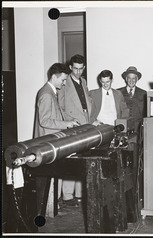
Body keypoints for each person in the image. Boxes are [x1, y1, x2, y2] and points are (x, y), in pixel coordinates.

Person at [33, 63, 80, 213]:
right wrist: (66, 124)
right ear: (54, 76)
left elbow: (57, 114)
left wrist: (71, 120)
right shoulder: (46, 94)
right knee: (47, 178)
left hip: (51, 141)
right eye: (63, 80)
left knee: (52, 176)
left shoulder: (52, 92)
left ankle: (51, 207)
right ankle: (46, 209)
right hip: (46, 142)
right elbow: (45, 121)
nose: (64, 83)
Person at [58, 54, 92, 206]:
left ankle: (79, 194)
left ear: (83, 68)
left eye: (81, 69)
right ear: (71, 67)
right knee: (70, 158)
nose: (78, 72)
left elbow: (87, 103)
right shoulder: (65, 83)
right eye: (75, 69)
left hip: (85, 122)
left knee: (81, 158)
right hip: (72, 124)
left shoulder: (83, 81)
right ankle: (67, 195)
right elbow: (60, 107)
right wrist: (69, 122)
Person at [118, 66, 146, 134]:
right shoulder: (118, 92)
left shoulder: (143, 93)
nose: (131, 81)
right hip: (122, 129)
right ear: (126, 79)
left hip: (138, 131)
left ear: (137, 79)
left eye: (134, 78)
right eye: (129, 78)